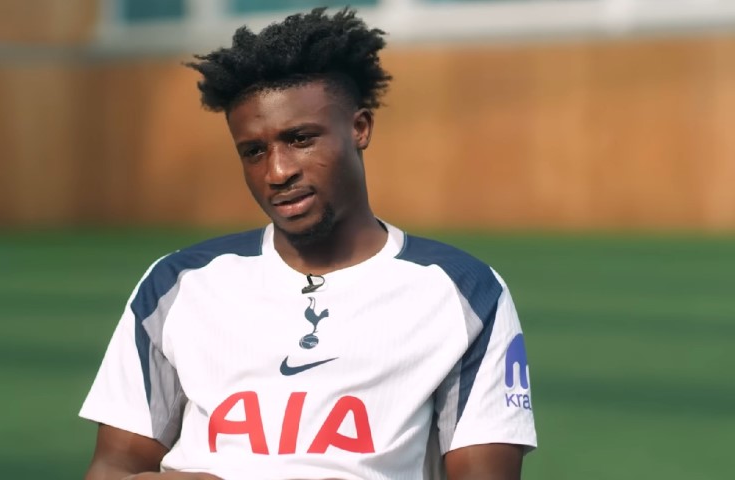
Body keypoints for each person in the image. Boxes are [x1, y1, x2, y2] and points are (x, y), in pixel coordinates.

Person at [79, 7, 537, 480]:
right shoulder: (178, 283)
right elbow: (115, 466)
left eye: (299, 139)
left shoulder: (463, 292)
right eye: (254, 151)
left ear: (359, 128)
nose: (277, 172)